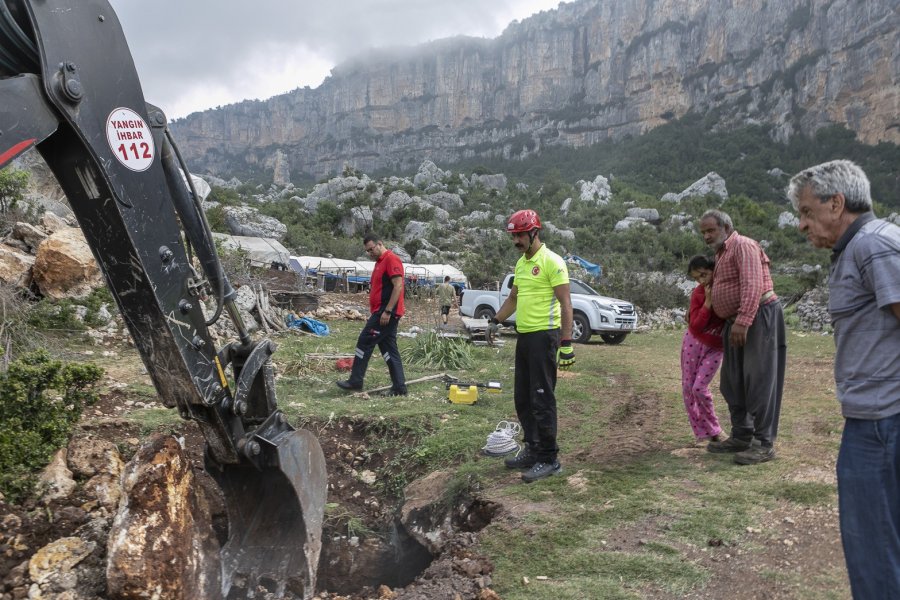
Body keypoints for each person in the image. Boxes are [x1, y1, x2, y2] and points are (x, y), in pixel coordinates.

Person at [788, 159, 900, 599]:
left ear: (837, 204)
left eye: (807, 212)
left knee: (873, 546)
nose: (801, 225)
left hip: (885, 422)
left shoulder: (875, 246)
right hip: (874, 418)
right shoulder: (859, 249)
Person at [492, 209, 574, 482]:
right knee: (523, 398)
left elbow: (566, 304)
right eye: (513, 236)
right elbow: (514, 297)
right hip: (525, 338)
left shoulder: (553, 261)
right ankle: (532, 448)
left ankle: (550, 458)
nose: (515, 241)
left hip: (545, 337)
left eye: (519, 235)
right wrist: (495, 320)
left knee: (542, 399)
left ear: (534, 232)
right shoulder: (521, 265)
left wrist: (566, 343)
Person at [699, 209, 786, 465]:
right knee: (732, 382)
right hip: (735, 322)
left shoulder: (743, 245)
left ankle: (763, 443)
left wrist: (744, 320)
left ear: (726, 227)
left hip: (756, 317)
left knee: (759, 379)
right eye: (703, 232)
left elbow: (752, 284)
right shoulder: (722, 253)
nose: (706, 236)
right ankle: (742, 435)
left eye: (710, 230)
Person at [336, 233, 408, 396]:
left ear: (380, 244)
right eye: (367, 251)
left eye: (371, 249)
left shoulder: (391, 259)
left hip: (386, 312)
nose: (370, 253)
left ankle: (356, 380)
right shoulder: (379, 263)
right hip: (381, 311)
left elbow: (398, 286)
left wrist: (387, 311)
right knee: (389, 349)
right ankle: (399, 387)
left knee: (364, 341)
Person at [681, 255, 725, 444]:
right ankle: (701, 433)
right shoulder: (698, 293)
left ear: (713, 270)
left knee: (699, 388)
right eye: (697, 278)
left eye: (704, 275)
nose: (701, 281)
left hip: (715, 348)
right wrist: (707, 302)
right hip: (693, 342)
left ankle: (715, 430)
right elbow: (696, 325)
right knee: (688, 389)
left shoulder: (726, 292)